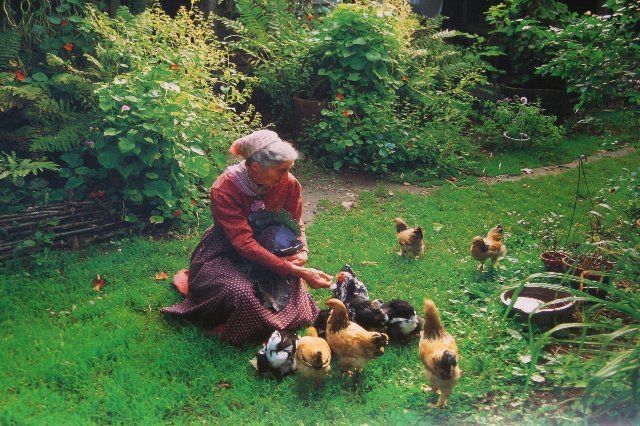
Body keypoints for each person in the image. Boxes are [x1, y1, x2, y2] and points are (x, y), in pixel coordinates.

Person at [162, 129, 332, 346]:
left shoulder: (288, 183)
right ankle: (237, 319)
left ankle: (264, 321)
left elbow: (295, 222)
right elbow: (244, 244)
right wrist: (293, 270)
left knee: (292, 301)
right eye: (280, 170)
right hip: (227, 252)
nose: (285, 177)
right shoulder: (224, 189)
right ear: (255, 167)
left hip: (272, 249)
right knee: (242, 292)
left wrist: (302, 251)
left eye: (288, 170)